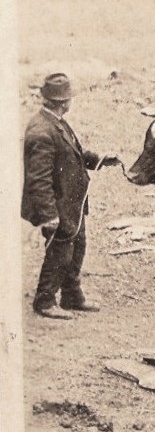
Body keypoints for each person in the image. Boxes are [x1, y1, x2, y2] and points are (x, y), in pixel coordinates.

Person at [22, 73, 119, 319]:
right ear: (62, 101)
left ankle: (72, 296)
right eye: (69, 98)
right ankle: (44, 300)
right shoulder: (41, 131)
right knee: (60, 251)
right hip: (58, 204)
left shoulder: (57, 122)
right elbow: (39, 179)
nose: (71, 101)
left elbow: (73, 153)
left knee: (78, 246)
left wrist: (98, 160)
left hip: (72, 202)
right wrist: (48, 215)